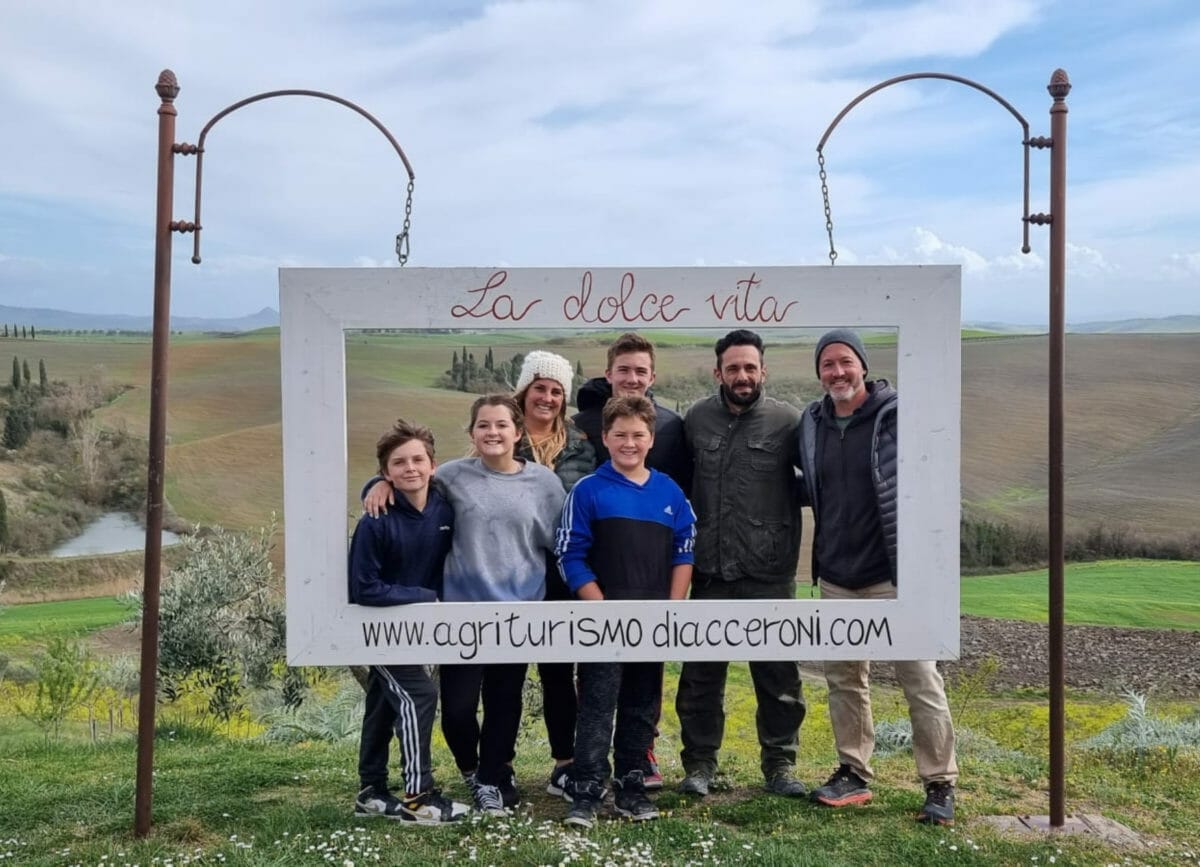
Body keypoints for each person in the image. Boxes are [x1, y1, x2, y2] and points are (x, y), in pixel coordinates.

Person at [362, 395, 565, 816]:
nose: (493, 433)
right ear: (472, 433)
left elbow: (559, 543)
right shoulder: (452, 476)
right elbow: (408, 478)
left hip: (519, 614)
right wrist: (375, 484)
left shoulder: (545, 483)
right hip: (460, 616)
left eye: (502, 425)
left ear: (518, 431)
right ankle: (471, 770)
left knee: (503, 704)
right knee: (456, 709)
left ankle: (493, 779)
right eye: (484, 425)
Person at [798, 328, 958, 825]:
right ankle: (853, 771)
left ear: (863, 365)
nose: (837, 372)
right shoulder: (811, 422)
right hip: (837, 574)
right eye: (828, 364)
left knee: (920, 678)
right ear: (819, 372)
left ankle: (939, 782)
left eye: (845, 361)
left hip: (896, 573)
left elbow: (934, 478)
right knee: (845, 678)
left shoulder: (900, 416)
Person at [675, 329, 807, 798]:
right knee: (701, 678)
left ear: (763, 370)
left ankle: (780, 766)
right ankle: (700, 765)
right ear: (718, 372)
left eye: (750, 367)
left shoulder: (789, 423)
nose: (742, 376)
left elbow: (819, 485)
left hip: (769, 574)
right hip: (710, 572)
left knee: (779, 679)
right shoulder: (697, 420)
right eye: (733, 368)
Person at [556, 396, 695, 828]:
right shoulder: (588, 491)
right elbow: (570, 555)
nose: (629, 443)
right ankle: (587, 790)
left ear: (651, 439)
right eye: (620, 435)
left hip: (653, 623)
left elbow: (684, 551)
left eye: (638, 435)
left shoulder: (670, 491)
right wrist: (602, 610)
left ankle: (631, 787)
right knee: (597, 707)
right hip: (603, 623)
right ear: (605, 438)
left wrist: (672, 611)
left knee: (640, 706)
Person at [571, 331, 691, 786]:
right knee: (597, 680)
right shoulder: (579, 424)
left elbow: (681, 504)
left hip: (651, 571)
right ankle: (584, 769)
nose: (632, 378)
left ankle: (641, 759)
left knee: (646, 676)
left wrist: (676, 588)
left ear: (653, 376)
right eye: (624, 369)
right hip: (591, 570)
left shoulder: (673, 426)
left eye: (641, 371)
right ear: (609, 373)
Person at [348, 419, 470, 825]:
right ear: (386, 473)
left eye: (418, 459)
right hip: (378, 630)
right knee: (418, 696)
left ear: (433, 465)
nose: (410, 468)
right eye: (399, 463)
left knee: (384, 702)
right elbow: (363, 589)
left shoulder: (443, 506)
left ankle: (371, 792)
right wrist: (425, 598)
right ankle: (419, 798)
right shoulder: (375, 521)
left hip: (419, 632)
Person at [511, 351, 597, 799]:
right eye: (539, 387)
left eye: (555, 391)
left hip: (565, 572)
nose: (546, 397)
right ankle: (497, 766)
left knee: (559, 671)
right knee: (502, 671)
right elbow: (447, 480)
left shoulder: (582, 446)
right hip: (508, 569)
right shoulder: (501, 435)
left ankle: (565, 763)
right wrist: (379, 484)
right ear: (524, 391)